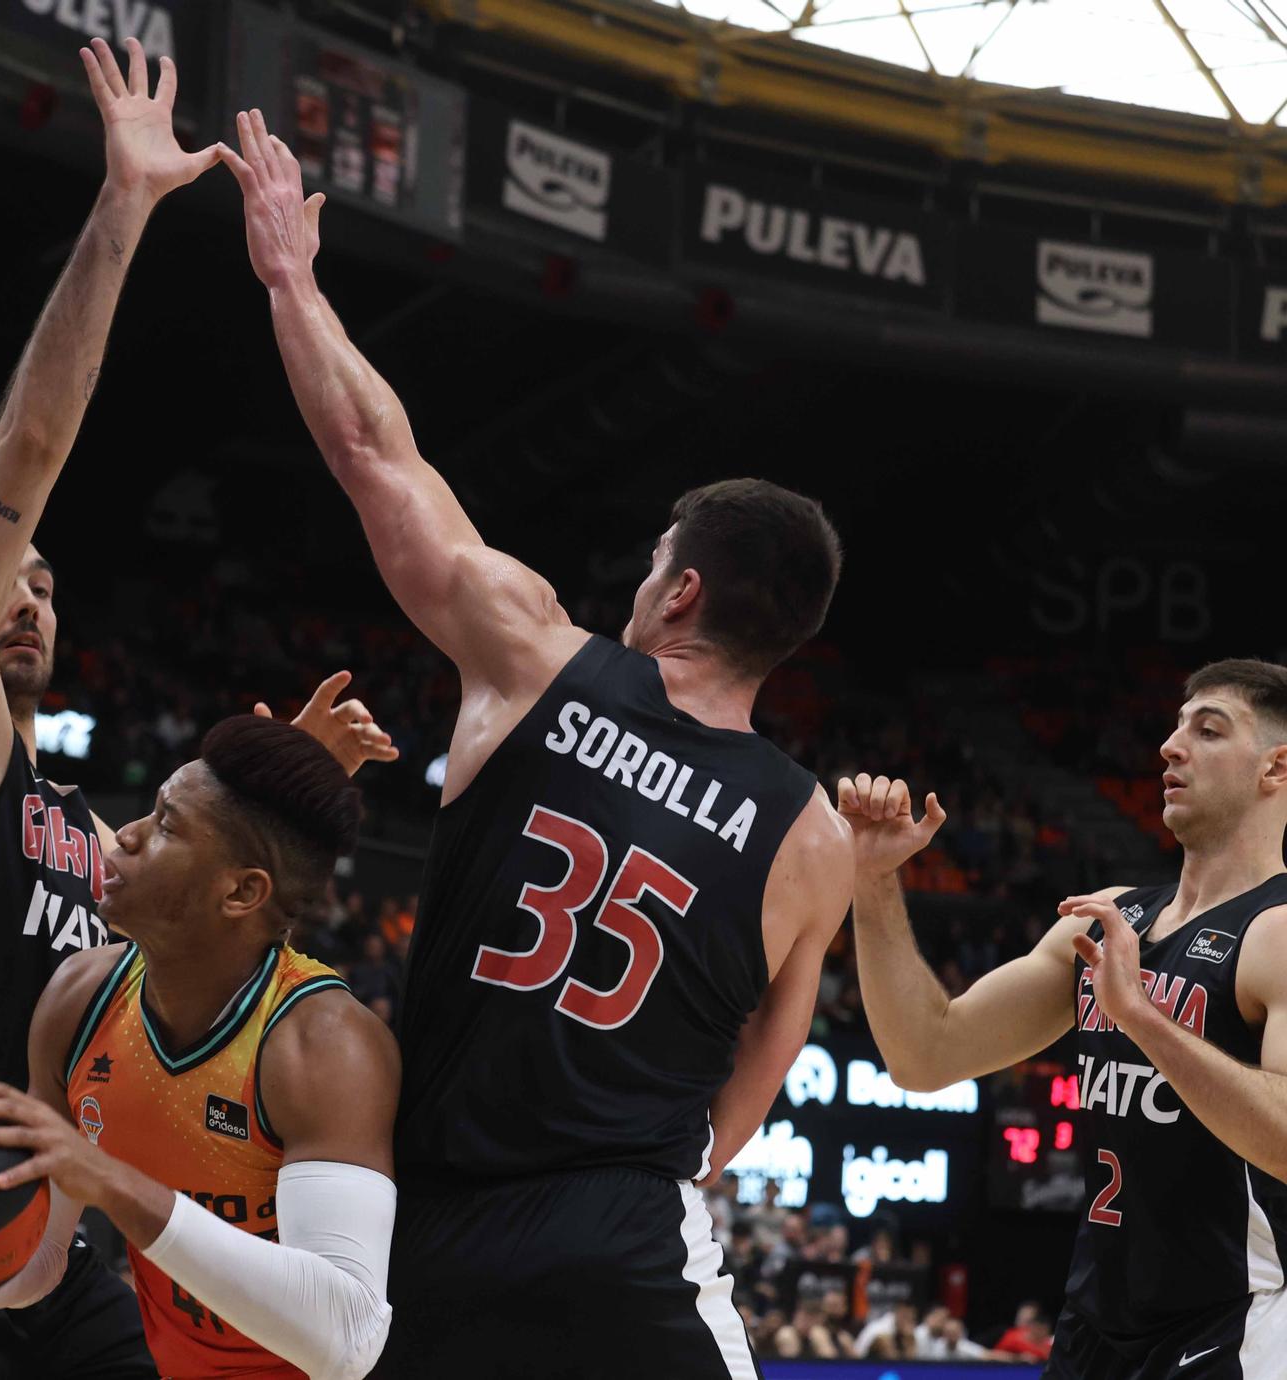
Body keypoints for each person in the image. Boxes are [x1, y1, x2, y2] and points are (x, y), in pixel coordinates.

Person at [0, 39, 389, 1380]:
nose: (31, 597)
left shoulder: (66, 820)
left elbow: (196, 863)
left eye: (50, 584)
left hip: (56, 1225)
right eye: (2, 579)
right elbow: (30, 454)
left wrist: (296, 774)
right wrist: (124, 207)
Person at [220, 110, 855, 1376]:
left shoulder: (534, 655)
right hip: (630, 1240)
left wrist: (290, 275)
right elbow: (764, 1066)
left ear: (676, 597)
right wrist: (660, 1164)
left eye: (651, 567)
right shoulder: (813, 835)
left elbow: (371, 453)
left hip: (444, 1222)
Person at [844, 658, 1287, 1378]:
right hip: (1093, 1332)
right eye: (1176, 728)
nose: (1172, 747)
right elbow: (924, 1055)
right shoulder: (1112, 917)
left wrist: (1141, 1018)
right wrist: (872, 879)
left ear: (1276, 767)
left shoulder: (1278, 932)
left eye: (1208, 731)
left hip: (1233, 1330)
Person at [0, 717, 399, 1379]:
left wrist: (115, 1183)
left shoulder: (323, 1045)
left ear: (241, 891)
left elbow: (346, 1336)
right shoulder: (79, 996)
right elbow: (41, 1260)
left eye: (167, 824)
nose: (126, 833)